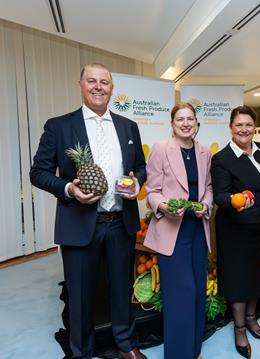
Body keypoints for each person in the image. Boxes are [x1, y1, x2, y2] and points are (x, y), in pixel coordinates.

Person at [30, 63, 147, 359]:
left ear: (112, 88)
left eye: (104, 82)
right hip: (80, 223)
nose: (98, 86)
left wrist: (137, 183)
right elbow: (39, 172)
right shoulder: (59, 126)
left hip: (122, 221)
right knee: (80, 295)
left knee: (122, 289)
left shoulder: (128, 126)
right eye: (91, 81)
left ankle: (125, 343)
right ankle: (81, 352)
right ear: (80, 85)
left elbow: (141, 167)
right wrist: (70, 189)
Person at [143, 102, 213, 359]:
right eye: (180, 119)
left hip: (197, 228)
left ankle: (194, 351)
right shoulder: (161, 149)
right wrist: (164, 206)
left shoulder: (204, 152)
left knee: (197, 293)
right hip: (172, 230)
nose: (186, 123)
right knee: (179, 295)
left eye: (190, 119)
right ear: (172, 124)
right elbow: (152, 191)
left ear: (196, 123)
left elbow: (208, 187)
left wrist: (205, 205)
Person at [211, 105, 260, 359]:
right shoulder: (222, 158)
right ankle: (239, 329)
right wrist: (236, 199)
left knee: (256, 274)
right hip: (235, 228)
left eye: (248, 125)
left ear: (253, 127)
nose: (244, 129)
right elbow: (220, 196)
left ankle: (251, 319)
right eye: (239, 125)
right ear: (231, 128)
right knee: (237, 278)